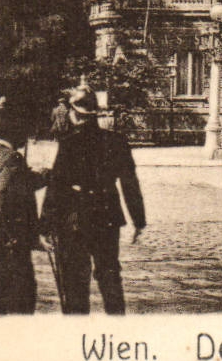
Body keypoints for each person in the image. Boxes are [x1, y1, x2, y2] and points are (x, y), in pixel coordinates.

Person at [40, 88, 146, 315]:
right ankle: (118, 326)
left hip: (74, 218)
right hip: (107, 215)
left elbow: (56, 186)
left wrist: (44, 225)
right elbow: (130, 184)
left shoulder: (69, 142)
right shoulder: (117, 141)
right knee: (109, 274)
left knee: (76, 279)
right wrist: (139, 220)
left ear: (74, 113)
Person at [0, 106, 48, 315]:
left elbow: (18, 184)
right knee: (21, 296)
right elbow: (3, 193)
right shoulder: (11, 158)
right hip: (10, 241)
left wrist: (38, 177)